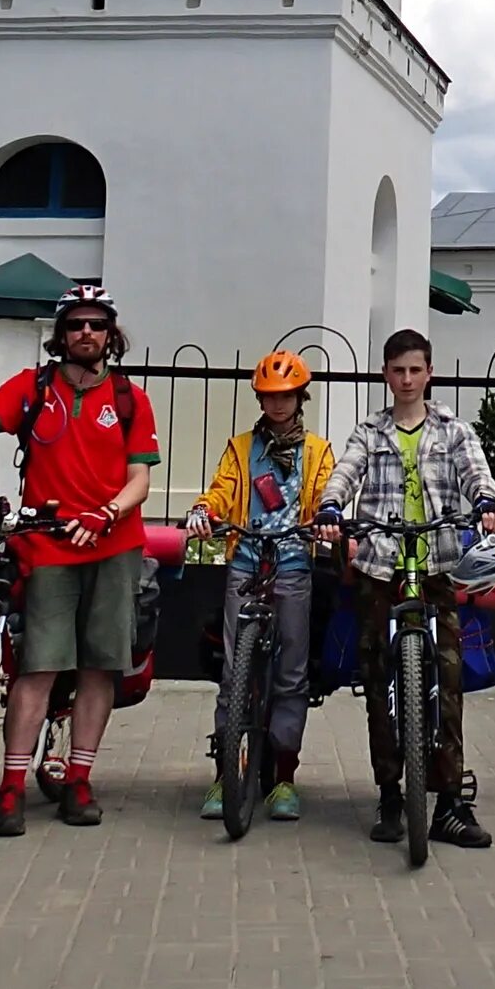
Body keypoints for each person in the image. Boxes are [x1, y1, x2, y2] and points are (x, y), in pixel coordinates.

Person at [0, 283, 158, 835]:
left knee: (99, 667)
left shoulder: (129, 398)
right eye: (76, 324)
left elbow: (140, 478)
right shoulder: (33, 388)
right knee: (39, 667)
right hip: (47, 546)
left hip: (114, 545)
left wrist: (107, 513)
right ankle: (11, 785)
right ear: (61, 335)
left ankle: (79, 779)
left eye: (96, 324)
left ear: (110, 335)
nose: (86, 333)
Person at [318, 328, 495, 849]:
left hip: (437, 563)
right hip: (382, 566)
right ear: (386, 374)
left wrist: (487, 503)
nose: (406, 379)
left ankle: (448, 803)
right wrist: (332, 508)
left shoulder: (453, 431)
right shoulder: (369, 432)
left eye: (415, 370)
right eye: (397, 370)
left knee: (448, 680)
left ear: (429, 373)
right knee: (378, 679)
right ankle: (390, 795)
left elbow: (476, 475)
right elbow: (344, 474)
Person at [186, 350, 335, 824]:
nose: (277, 404)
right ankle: (226, 772)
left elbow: (328, 492)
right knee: (234, 674)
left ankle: (285, 776)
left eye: (286, 396)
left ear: (299, 398)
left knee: (291, 674)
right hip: (247, 561)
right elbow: (222, 490)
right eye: (269, 397)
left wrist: (328, 521)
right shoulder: (240, 446)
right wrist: (205, 511)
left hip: (293, 565)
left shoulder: (317, 451)